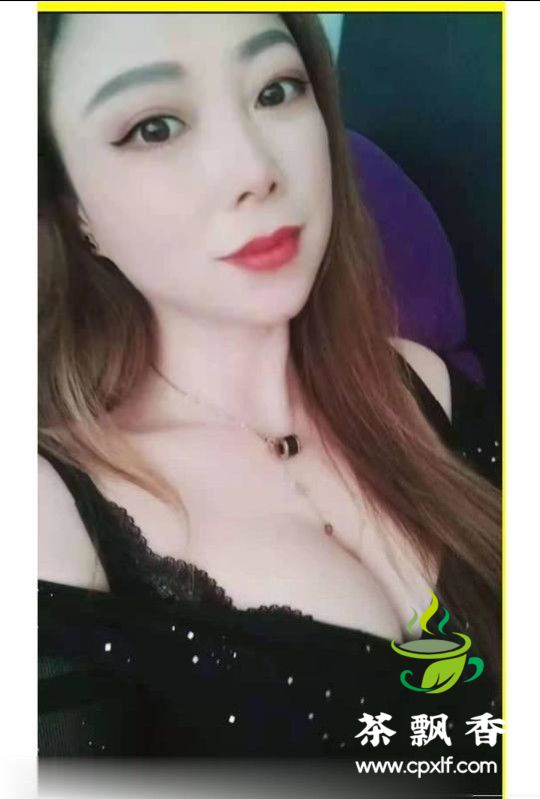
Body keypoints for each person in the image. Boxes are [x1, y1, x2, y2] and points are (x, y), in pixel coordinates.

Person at [38, 11, 502, 792]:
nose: (255, 169)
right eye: (155, 127)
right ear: (73, 207)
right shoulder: (50, 511)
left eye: (277, 90)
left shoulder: (428, 386)